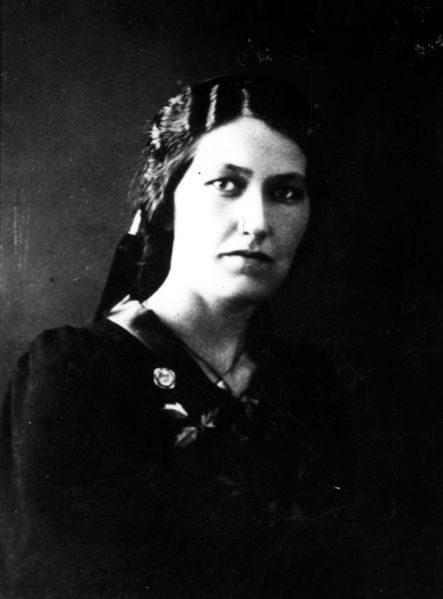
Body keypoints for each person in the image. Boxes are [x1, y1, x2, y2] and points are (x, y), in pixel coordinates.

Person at [0, 74, 367, 598]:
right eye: (226, 184)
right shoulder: (77, 373)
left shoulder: (309, 384)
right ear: (166, 201)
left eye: (286, 193)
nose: (258, 222)